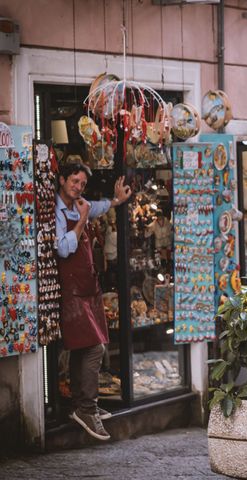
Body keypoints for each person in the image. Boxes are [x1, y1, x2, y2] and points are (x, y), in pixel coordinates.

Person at [56, 163, 132, 441]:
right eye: (74, 181)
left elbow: (96, 207)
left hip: (87, 288)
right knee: (94, 349)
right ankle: (86, 409)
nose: (78, 187)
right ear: (62, 180)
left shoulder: (80, 206)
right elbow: (63, 248)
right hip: (71, 292)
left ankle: (81, 403)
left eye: (82, 184)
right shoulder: (58, 211)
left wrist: (115, 201)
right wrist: (81, 221)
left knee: (83, 347)